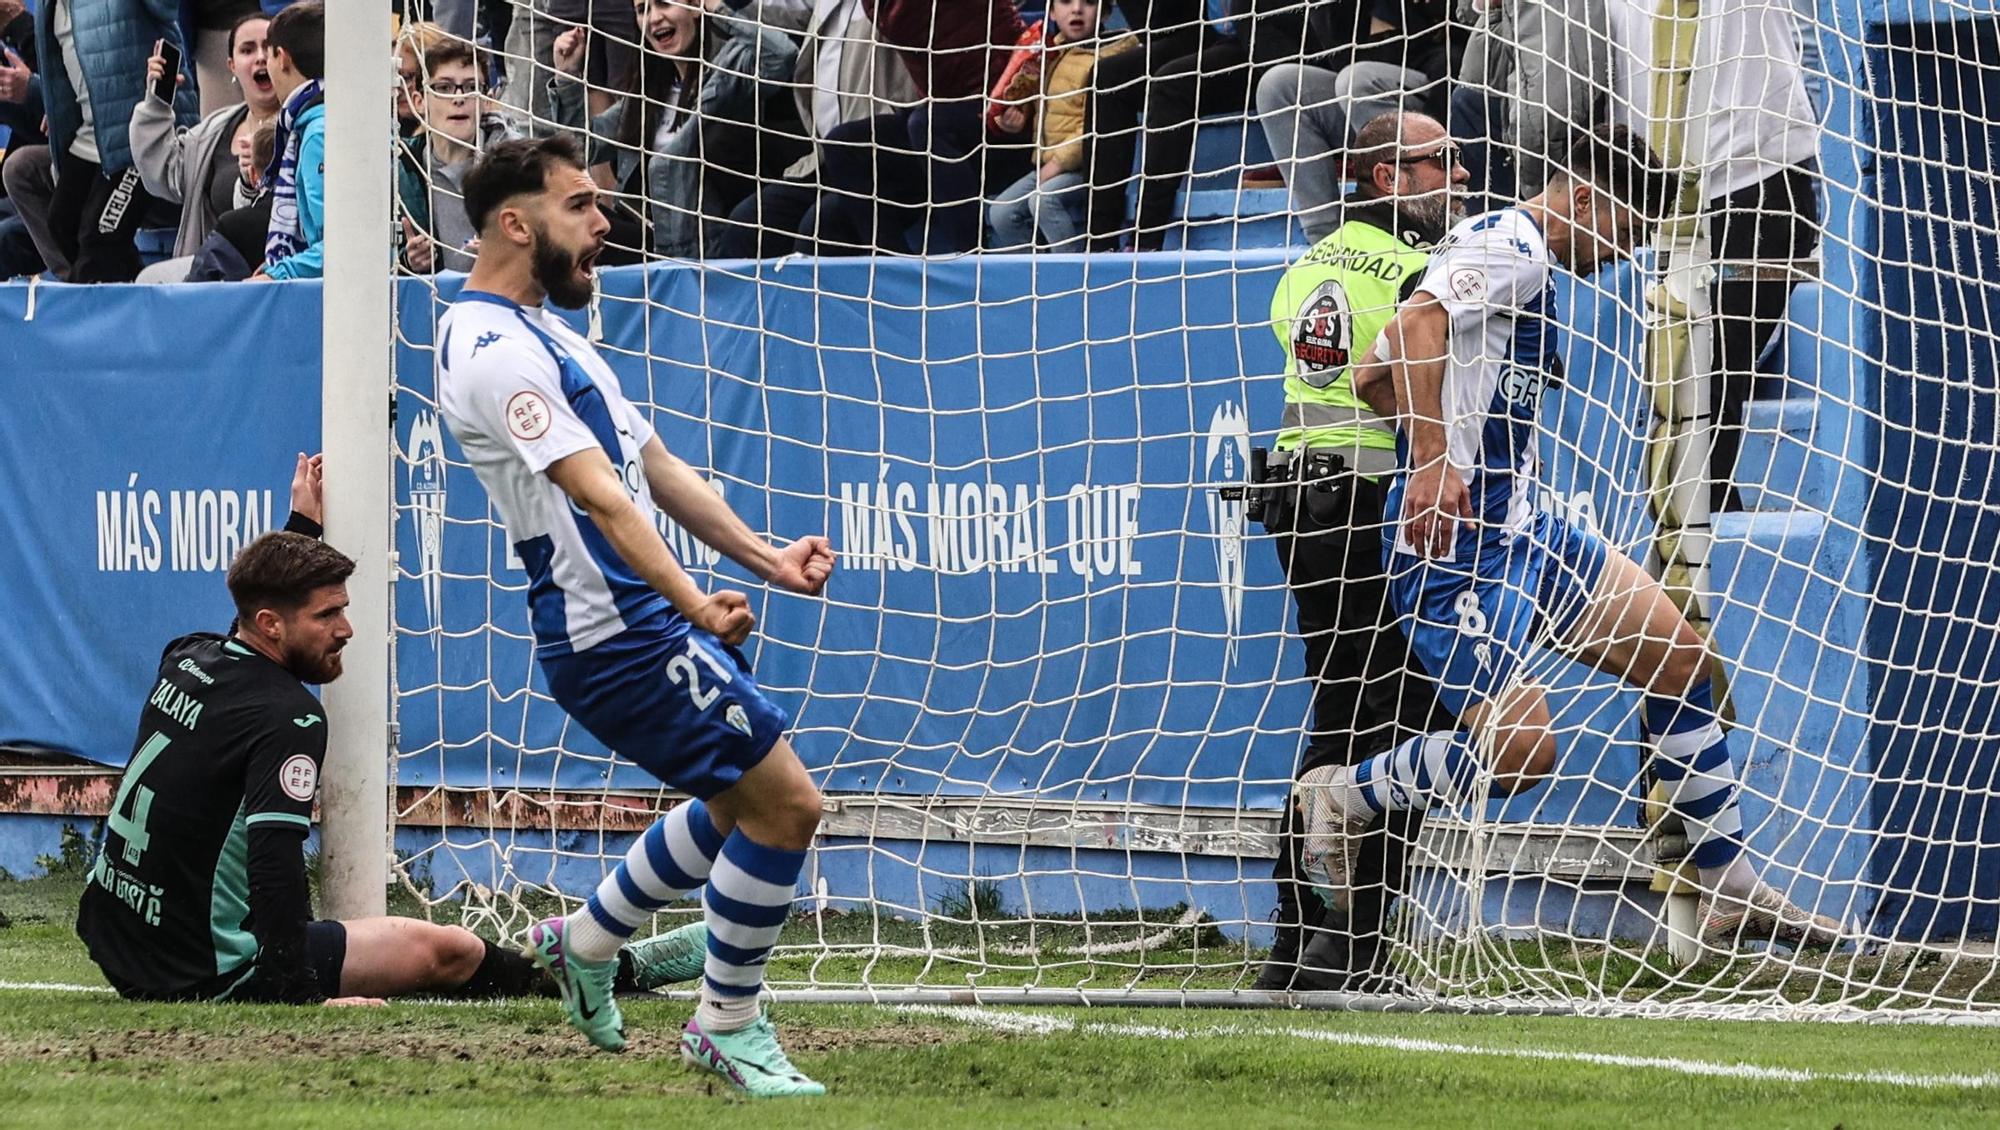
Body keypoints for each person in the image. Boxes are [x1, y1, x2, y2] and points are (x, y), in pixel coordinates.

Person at [1336, 123, 1845, 952]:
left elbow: (1369, 372)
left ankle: (1729, 887)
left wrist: (1435, 439)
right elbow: (1421, 322)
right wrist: (1432, 462)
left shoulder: (1502, 253)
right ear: (1582, 197)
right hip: (1461, 549)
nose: (1624, 253)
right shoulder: (1514, 244)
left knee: (1681, 662)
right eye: (1627, 229)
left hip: (1531, 527)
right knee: (1522, 755)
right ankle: (1349, 797)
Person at [436, 135, 837, 1096]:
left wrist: (766, 560)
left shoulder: (553, 334)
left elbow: (653, 470)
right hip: (612, 637)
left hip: (637, 628)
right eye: (582, 207)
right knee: (787, 807)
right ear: (515, 222)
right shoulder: (493, 352)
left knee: (739, 800)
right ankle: (723, 1024)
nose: (604, 223)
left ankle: (583, 941)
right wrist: (695, 601)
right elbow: (602, 503)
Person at [76, 454, 709, 1005]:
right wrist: (297, 992)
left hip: (118, 940)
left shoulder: (188, 655)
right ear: (272, 625)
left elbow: (250, 635)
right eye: (329, 614)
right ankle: (615, 967)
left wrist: (301, 534)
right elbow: (273, 866)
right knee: (449, 950)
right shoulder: (290, 716)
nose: (347, 629)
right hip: (202, 972)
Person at [1250, 111, 1465, 990]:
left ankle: (1300, 940)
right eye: (1436, 162)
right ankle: (1357, 944)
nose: (1454, 175)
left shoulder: (1310, 261)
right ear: (1388, 177)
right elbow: (1392, 385)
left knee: (1341, 715)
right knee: (1400, 722)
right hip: (1375, 505)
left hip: (1300, 498)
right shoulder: (1421, 271)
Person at [548, 0, 800, 261]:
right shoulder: (650, 93)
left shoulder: (731, 65)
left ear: (694, 8)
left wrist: (717, 9)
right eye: (642, 10)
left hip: (706, 247)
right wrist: (567, 78)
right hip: (649, 241)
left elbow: (782, 55)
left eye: (664, 4)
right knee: (561, 217)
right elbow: (578, 149)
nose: (654, 18)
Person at [2, 0, 199, 282]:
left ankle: (102, 309)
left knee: (99, 236)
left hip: (142, 135)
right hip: (91, 134)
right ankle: (128, 294)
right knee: (61, 223)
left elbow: (166, 8)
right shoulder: (49, 5)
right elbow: (66, 74)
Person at [708, 0, 919, 260]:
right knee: (748, 223)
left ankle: (897, 286)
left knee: (820, 225)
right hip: (825, 162)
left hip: (888, 161)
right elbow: (781, 8)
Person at [1253, 0, 1463, 242]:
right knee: (1280, 85)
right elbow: (1340, 53)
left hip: (1442, 91)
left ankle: (1421, 227)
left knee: (1357, 81)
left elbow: (1461, 47)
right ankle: (1329, 243)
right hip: (1366, 101)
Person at [130, 12, 280, 279]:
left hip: (277, 261)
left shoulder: (303, 121)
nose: (260, 57)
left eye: (269, 48)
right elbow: (165, 174)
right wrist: (156, 104)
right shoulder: (216, 128)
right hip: (217, 263)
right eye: (248, 50)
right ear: (232, 66)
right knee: (152, 280)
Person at [983, 0, 1134, 251]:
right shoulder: (1049, 54)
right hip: (1046, 163)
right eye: (1065, 2)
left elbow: (1094, 125)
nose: (1076, 9)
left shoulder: (1111, 57)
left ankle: (1070, 275)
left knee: (1044, 201)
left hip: (1083, 166)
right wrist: (1010, 121)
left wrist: (1057, 164)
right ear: (1052, 12)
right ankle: (1037, 276)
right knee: (1000, 211)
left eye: (1088, 2)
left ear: (1105, 12)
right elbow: (1025, 101)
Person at [398, 37, 519, 273]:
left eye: (472, 87)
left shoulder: (518, 163)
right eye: (444, 88)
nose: (459, 98)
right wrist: (409, 262)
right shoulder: (404, 166)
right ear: (419, 101)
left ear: (487, 101)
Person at [250, 0, 323, 282]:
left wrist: (278, 274)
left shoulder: (320, 133)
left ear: (282, 58)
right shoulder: (325, 117)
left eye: (267, 56)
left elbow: (346, 244)